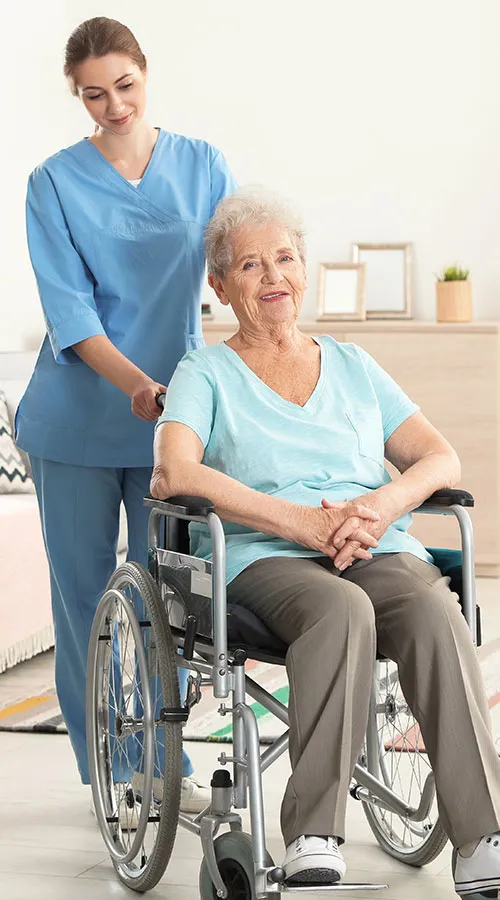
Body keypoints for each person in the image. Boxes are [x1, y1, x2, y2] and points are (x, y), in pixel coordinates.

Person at [151, 187, 500, 894]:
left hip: (372, 541)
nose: (274, 277)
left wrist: (379, 506)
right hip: (263, 555)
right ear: (219, 287)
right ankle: (314, 828)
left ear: (305, 270)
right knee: (342, 611)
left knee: (433, 611)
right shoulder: (205, 372)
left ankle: (482, 837)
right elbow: (172, 471)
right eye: (251, 266)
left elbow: (438, 458)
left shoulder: (352, 363)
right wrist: (299, 523)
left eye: (285, 258)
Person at [16, 16, 237, 816]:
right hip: (76, 419)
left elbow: (233, 267)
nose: (112, 105)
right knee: (84, 599)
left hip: (172, 423)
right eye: (93, 95)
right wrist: (140, 386)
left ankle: (159, 757)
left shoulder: (203, 165)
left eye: (124, 86)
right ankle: (111, 769)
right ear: (78, 97)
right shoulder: (52, 182)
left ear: (147, 74)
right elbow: (71, 317)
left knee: (165, 596)